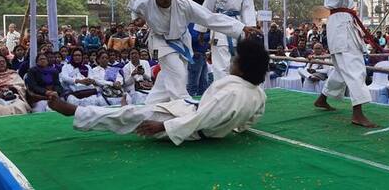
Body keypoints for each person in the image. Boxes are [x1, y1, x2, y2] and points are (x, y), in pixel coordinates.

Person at [48, 40, 268, 146]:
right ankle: (79, 112)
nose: (231, 62)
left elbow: (203, 119)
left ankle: (75, 112)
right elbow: (250, 120)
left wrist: (164, 126)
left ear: (243, 66)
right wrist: (236, 128)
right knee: (135, 110)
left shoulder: (232, 94)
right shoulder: (258, 94)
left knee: (129, 115)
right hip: (187, 112)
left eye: (235, 59)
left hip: (185, 124)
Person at [127, 0, 258, 106]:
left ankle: (150, 106)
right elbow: (133, 7)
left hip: (182, 41)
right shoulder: (144, 1)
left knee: (167, 78)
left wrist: (240, 27)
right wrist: (137, 18)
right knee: (178, 74)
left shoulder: (183, 4)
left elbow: (210, 18)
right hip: (160, 42)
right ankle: (184, 107)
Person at [311, 0, 388, 128]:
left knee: (341, 69)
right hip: (341, 26)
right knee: (354, 67)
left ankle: (322, 99)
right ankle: (357, 113)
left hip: (342, 24)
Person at [198, 0, 257, 82]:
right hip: (220, 28)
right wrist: (202, 30)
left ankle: (236, 92)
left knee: (238, 64)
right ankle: (222, 93)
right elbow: (206, 8)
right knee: (221, 67)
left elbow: (248, 7)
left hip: (238, 26)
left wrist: (250, 27)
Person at [187, 0, 211, 97]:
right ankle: (189, 107)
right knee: (193, 85)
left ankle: (201, 106)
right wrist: (210, 34)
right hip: (195, 56)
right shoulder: (192, 22)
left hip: (202, 56)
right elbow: (193, 37)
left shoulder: (202, 21)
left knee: (203, 85)